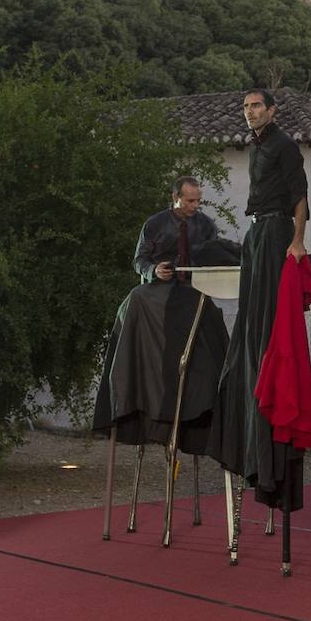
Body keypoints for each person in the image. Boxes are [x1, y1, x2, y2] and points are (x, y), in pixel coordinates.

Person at [207, 89, 310, 512]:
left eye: (256, 106)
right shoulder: (257, 145)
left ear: (272, 110)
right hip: (255, 235)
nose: (250, 112)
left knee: (269, 329)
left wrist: (298, 242)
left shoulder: (284, 145)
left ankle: (271, 435)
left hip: (276, 234)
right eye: (246, 107)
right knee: (249, 332)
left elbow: (300, 196)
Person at [92, 177, 228, 453]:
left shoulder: (206, 226)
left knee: (211, 315)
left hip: (192, 290)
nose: (195, 205)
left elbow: (214, 256)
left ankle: (213, 394)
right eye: (190, 200)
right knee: (136, 300)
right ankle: (132, 384)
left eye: (198, 200)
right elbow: (139, 260)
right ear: (175, 197)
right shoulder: (154, 224)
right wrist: (154, 270)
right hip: (158, 290)